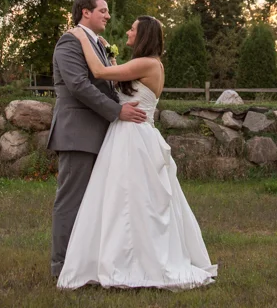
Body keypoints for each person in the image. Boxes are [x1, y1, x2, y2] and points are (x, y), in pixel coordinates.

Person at [57, 15, 218, 291]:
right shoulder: (142, 64)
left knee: (134, 200)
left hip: (134, 139)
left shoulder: (148, 63)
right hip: (125, 136)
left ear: (143, 35)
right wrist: (110, 54)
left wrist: (83, 37)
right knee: (121, 200)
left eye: (132, 29)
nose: (128, 32)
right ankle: (119, 257)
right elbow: (123, 83)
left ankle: (136, 262)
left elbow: (98, 72)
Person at [48, 0, 147, 280]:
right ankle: (62, 267)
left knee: (94, 203)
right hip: (77, 133)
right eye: (102, 11)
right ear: (85, 12)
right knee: (71, 200)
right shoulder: (70, 41)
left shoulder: (98, 44)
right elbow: (78, 85)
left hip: (97, 133)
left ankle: (86, 262)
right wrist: (117, 111)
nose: (107, 16)